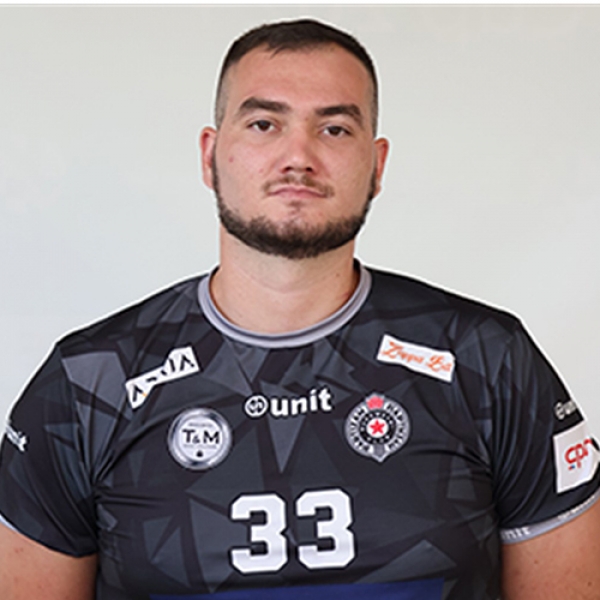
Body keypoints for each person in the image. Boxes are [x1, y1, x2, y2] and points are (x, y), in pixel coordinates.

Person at [0, 18, 599, 600]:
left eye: (334, 129)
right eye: (264, 124)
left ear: (377, 165)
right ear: (210, 155)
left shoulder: (486, 359)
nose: (298, 157)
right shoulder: (89, 381)